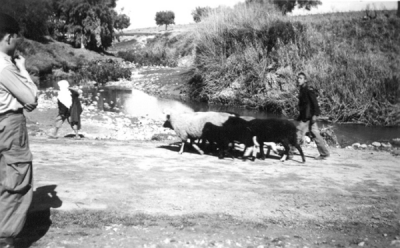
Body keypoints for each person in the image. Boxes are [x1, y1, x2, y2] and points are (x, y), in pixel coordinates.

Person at [0, 13, 38, 248]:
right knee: (17, 179)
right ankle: (4, 238)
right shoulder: (4, 66)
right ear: (9, 37)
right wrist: (22, 69)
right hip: (9, 125)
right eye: (15, 38)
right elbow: (31, 100)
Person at [295, 72, 330, 160]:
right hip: (306, 116)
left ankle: (289, 152)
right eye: (298, 78)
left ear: (305, 80)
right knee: (315, 134)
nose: (298, 80)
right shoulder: (302, 89)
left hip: (309, 116)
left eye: (300, 78)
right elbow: (303, 105)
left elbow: (315, 103)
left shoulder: (308, 90)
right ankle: (324, 153)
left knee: (298, 132)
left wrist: (315, 115)